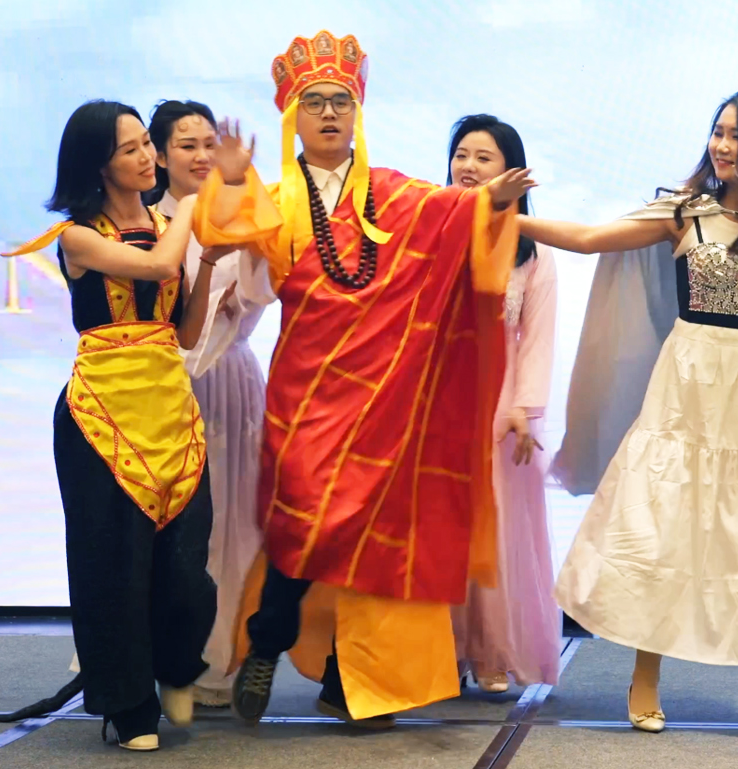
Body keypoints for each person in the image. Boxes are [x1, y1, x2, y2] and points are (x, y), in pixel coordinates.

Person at [188, 30, 535, 727]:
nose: (328, 113)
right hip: (307, 390)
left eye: (340, 101)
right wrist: (233, 182)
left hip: (388, 393)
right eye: (314, 102)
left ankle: (353, 684)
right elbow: (238, 256)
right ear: (293, 117)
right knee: (302, 524)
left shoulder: (398, 194)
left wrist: (490, 203)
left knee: (374, 541)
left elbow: (460, 224)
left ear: (358, 113)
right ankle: (268, 640)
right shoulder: (278, 198)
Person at [523, 88, 738, 732]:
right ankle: (645, 674)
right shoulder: (685, 214)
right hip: (688, 380)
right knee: (664, 520)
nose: (723, 145)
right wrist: (509, 218)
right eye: (719, 131)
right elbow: (591, 239)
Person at [0, 99, 223, 751]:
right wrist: (196, 209)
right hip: (101, 415)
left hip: (171, 408)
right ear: (99, 165)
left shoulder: (168, 226)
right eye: (131, 149)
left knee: (186, 566)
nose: (147, 156)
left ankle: (176, 669)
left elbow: (184, 331)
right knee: (112, 567)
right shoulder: (78, 237)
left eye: (146, 144)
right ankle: (129, 708)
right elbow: (155, 268)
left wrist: (209, 261)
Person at [148, 99, 268, 710]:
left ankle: (221, 662)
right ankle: (164, 658)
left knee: (233, 519)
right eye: (186, 144)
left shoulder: (241, 214)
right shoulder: (145, 222)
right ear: (158, 154)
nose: (200, 156)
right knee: (172, 525)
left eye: (208, 145)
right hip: (161, 387)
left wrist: (243, 191)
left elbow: (265, 288)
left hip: (230, 380)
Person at [446, 115, 560, 693]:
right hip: (438, 399)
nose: (468, 167)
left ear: (512, 172)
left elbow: (537, 339)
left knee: (493, 533)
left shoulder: (532, 253)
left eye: (483, 157)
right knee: (441, 528)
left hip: (499, 401)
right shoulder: (431, 233)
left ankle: (489, 650)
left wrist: (524, 409)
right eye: (461, 154)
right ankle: (440, 652)